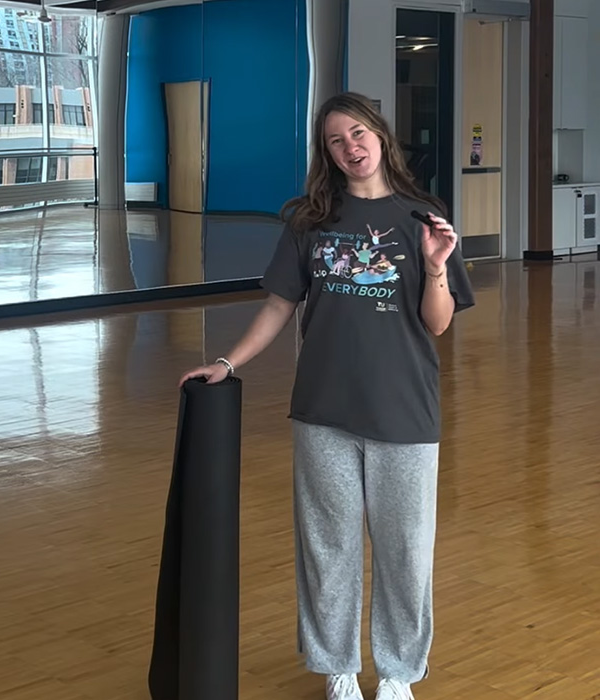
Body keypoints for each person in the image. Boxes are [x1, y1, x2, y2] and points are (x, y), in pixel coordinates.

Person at [179, 92, 475, 700]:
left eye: (359, 133)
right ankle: (337, 666)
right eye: (337, 141)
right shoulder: (310, 220)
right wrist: (227, 361)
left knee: (405, 553)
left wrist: (438, 264)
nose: (351, 148)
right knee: (327, 548)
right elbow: (280, 306)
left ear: (381, 137)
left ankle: (396, 675)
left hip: (404, 412)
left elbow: (439, 324)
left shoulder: (422, 217)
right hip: (323, 411)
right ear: (328, 154)